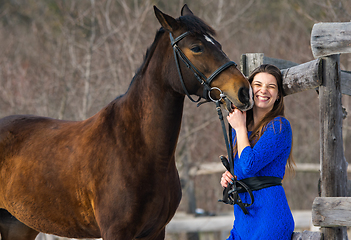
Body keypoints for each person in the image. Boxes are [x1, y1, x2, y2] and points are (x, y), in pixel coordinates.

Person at [220, 64, 295, 240]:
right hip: (242, 220)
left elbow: (249, 165)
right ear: (249, 88)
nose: (264, 90)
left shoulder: (280, 126)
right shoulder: (240, 126)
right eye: (258, 84)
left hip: (269, 219)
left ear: (277, 96)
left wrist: (239, 127)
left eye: (271, 86)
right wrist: (229, 176)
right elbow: (241, 170)